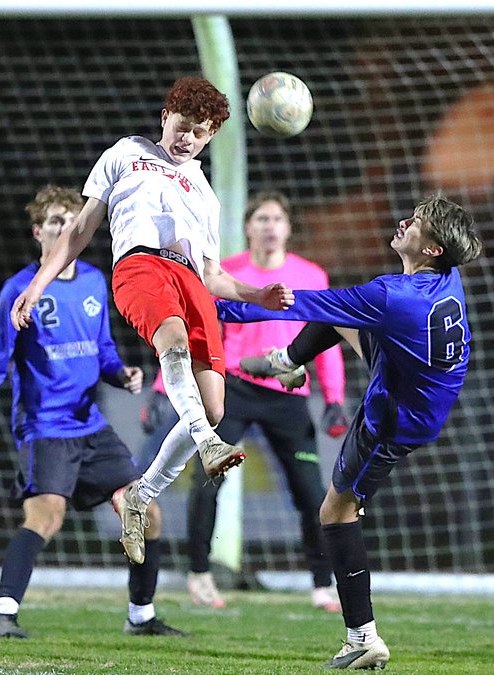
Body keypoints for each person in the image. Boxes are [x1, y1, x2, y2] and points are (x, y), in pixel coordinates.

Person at [7, 77, 294, 566]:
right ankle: (207, 444)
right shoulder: (126, 153)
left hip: (191, 282)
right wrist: (37, 285)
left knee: (214, 406)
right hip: (140, 266)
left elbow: (211, 274)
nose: (188, 138)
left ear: (211, 135)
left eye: (200, 132)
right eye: (182, 126)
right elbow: (81, 229)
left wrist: (256, 294)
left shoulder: (204, 191)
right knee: (174, 343)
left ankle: (140, 495)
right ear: (166, 117)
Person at [219, 194, 483, 670]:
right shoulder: (445, 277)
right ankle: (286, 361)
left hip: (394, 418)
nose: (403, 222)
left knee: (336, 512)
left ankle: (363, 637)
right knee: (341, 312)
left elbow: (286, 307)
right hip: (413, 383)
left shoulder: (392, 296)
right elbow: (341, 309)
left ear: (432, 249)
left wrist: (208, 307)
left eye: (416, 223)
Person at [0, 185, 182, 638]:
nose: (64, 228)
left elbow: (102, 349)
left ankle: (141, 617)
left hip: (90, 426)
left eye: (71, 220)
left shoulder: (95, 281)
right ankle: (2, 612)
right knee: (47, 515)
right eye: (54, 221)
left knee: (146, 511)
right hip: (45, 427)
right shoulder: (19, 290)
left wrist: (120, 374)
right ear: (38, 232)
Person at [140, 191, 349, 611]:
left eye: (277, 219)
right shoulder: (224, 273)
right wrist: (163, 388)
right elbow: (193, 330)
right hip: (232, 386)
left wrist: (335, 397)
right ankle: (200, 575)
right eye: (262, 219)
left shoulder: (311, 275)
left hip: (287, 392)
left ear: (288, 228)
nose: (270, 226)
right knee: (207, 481)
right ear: (248, 227)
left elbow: (326, 338)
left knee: (311, 492)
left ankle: (322, 584)